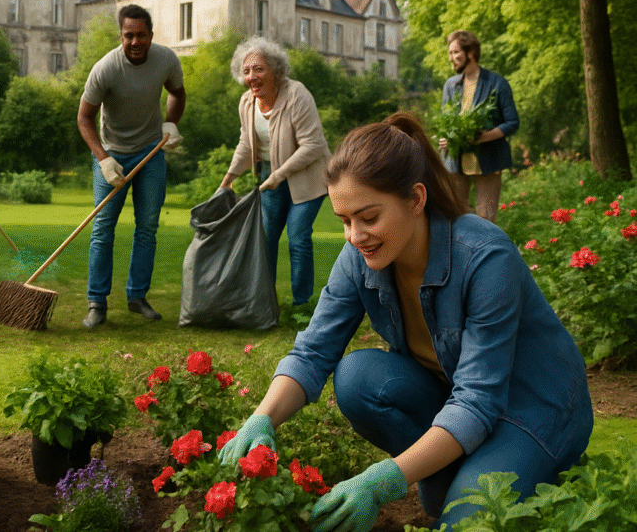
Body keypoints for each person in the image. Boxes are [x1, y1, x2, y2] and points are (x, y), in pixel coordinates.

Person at [219, 112, 592, 531]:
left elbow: (479, 399)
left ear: (416, 199)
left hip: (532, 408)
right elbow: (314, 350)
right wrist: (262, 417)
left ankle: (485, 474)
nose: (354, 235)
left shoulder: (485, 257)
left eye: (369, 217)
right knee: (358, 376)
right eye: (344, 221)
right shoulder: (361, 258)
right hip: (461, 399)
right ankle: (446, 475)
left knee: (466, 524)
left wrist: (383, 481)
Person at [77, 4, 186, 328]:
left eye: (141, 35)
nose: (135, 41)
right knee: (102, 230)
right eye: (129, 35)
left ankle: (137, 296)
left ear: (151, 35)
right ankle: (97, 302)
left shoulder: (166, 59)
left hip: (151, 151)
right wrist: (103, 158)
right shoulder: (106, 68)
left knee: (147, 227)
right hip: (112, 153)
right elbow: (84, 117)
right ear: (120, 36)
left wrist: (170, 123)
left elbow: (177, 93)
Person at [219, 36, 330, 307]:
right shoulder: (247, 102)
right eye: (246, 71)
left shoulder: (296, 94)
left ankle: (302, 306)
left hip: (308, 176)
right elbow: (247, 144)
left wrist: (278, 175)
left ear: (275, 70)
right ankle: (263, 303)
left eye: (259, 69)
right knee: (265, 239)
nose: (252, 76)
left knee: (297, 237)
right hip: (270, 174)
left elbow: (313, 145)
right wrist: (228, 180)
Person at [438, 30, 519, 222]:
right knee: (456, 216)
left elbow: (513, 122)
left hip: (488, 160)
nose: (451, 58)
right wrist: (443, 138)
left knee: (486, 218)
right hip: (455, 162)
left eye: (455, 52)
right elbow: (445, 123)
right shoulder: (450, 85)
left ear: (471, 53)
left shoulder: (497, 83)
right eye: (450, 53)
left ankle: (487, 251)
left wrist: (487, 136)